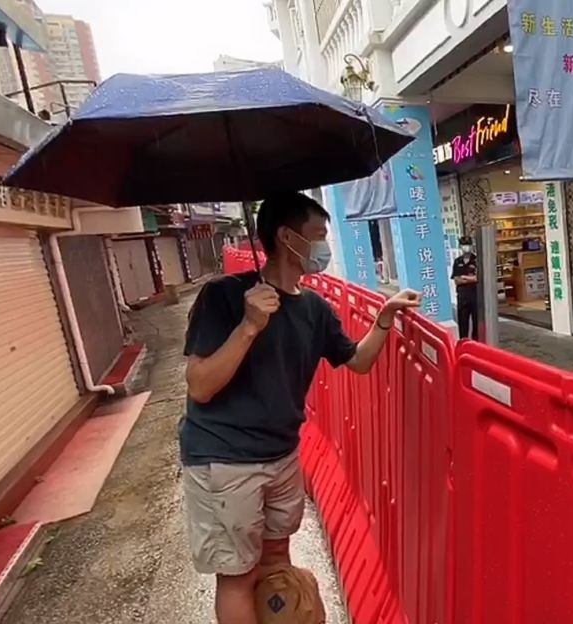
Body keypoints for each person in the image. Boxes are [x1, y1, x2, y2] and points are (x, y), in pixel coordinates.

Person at [180, 191, 420, 624]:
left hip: (282, 454)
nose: (323, 248)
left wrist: (384, 317)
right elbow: (200, 386)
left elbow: (359, 361)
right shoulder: (224, 297)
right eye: (318, 237)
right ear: (288, 238)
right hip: (224, 460)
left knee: (276, 561)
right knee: (237, 573)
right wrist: (249, 326)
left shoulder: (314, 309)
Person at [451, 235, 479, 340]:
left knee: (476, 321)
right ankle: (464, 341)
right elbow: (457, 280)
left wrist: (464, 278)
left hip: (475, 295)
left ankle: (476, 343)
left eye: (468, 245)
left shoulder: (476, 260)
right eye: (464, 245)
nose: (466, 247)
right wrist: (470, 278)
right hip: (462, 296)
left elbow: (478, 278)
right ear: (460, 246)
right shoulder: (458, 261)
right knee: (463, 321)